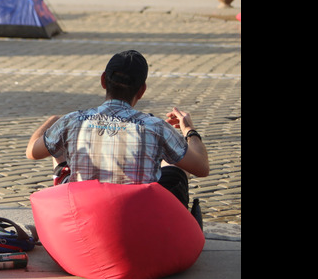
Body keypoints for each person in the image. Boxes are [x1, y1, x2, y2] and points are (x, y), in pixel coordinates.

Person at [25, 50, 209, 211]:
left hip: (86, 214)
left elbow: (32, 152)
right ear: (142, 90)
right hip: (137, 218)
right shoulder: (157, 127)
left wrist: (53, 121)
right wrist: (189, 131)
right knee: (175, 166)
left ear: (104, 80)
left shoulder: (72, 121)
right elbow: (201, 168)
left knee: (59, 146)